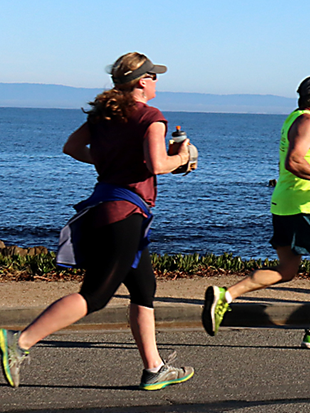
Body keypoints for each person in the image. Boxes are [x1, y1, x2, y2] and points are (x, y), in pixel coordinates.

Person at [1, 53, 195, 390]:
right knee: (96, 295)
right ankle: (18, 343)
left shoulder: (105, 115)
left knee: (144, 288)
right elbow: (156, 165)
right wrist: (183, 157)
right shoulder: (151, 117)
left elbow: (72, 147)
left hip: (106, 206)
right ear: (141, 82)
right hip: (125, 214)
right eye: (153, 76)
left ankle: (154, 369)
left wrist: (109, 162)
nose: (156, 82)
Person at [202, 76, 310, 349]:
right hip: (305, 208)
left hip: (283, 204)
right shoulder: (308, 123)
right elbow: (294, 161)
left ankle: (226, 296)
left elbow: (290, 161)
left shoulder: (293, 119)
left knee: (287, 270)